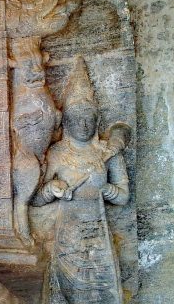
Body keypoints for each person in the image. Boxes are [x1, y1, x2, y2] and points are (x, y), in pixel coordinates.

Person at [32, 56, 129, 303]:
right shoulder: (57, 153)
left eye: (89, 118)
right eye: (77, 118)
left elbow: (123, 196)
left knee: (101, 290)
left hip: (99, 234)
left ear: (97, 121)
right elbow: (35, 199)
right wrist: (51, 189)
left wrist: (106, 188)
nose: (83, 124)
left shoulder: (107, 153)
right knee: (70, 290)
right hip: (68, 236)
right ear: (66, 121)